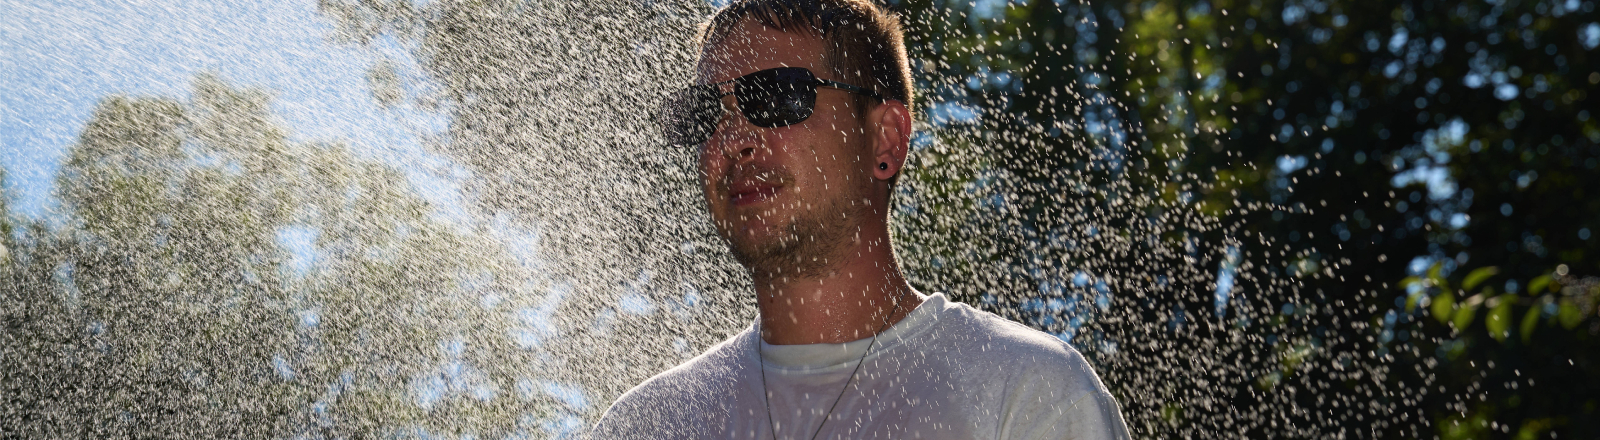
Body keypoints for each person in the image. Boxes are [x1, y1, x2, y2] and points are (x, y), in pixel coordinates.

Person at [590, 1, 1130, 438]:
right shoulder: (647, 424)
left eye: (778, 96)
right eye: (706, 114)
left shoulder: (1026, 393)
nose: (732, 141)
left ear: (885, 139)